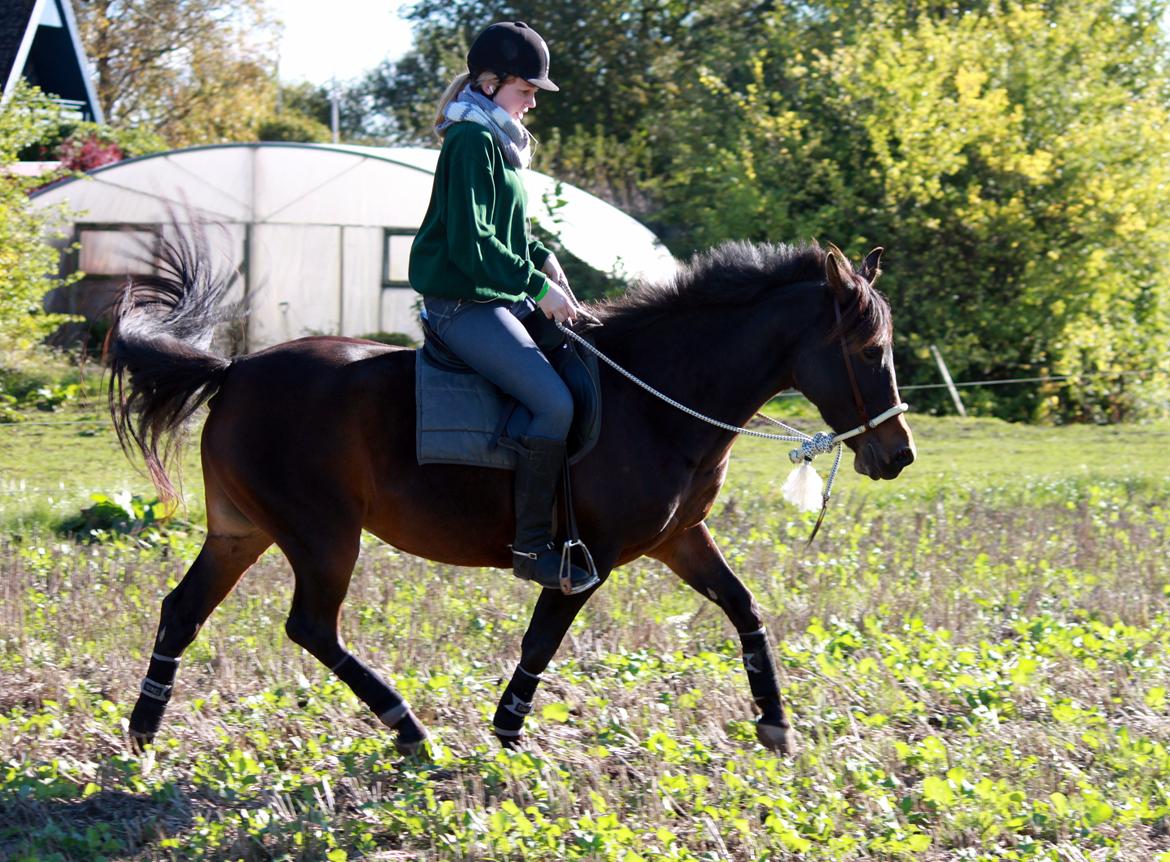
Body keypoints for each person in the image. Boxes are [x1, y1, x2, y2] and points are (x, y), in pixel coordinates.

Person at [409, 21, 599, 595]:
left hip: (497, 293)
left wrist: (544, 259)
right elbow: (473, 246)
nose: (534, 100)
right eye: (527, 88)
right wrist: (537, 289)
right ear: (490, 83)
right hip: (461, 304)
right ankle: (531, 546)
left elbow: (507, 232)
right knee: (553, 402)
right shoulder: (471, 142)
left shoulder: (496, 139)